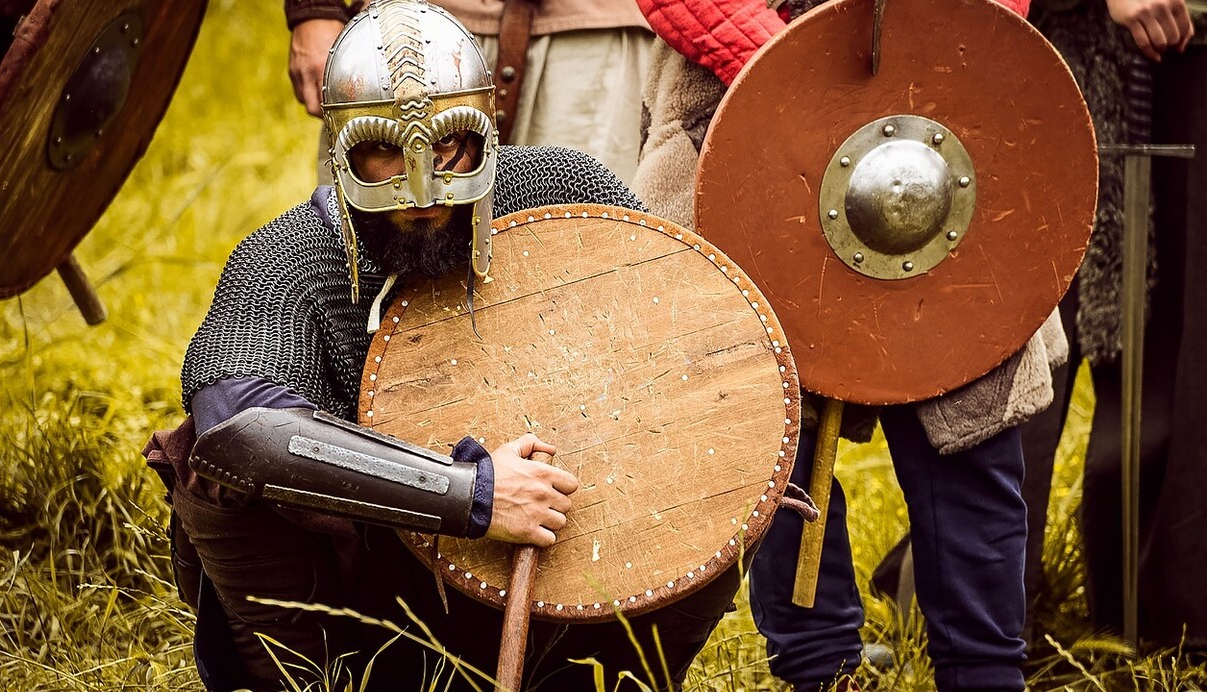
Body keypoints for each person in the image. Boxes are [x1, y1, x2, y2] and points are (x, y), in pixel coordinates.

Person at [145, 3, 748, 689]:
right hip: (365, 596)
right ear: (342, 150)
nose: (423, 186)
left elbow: (695, 337)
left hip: (565, 550)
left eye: (446, 146)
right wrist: (470, 494)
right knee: (210, 464)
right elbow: (242, 434)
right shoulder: (287, 261)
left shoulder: (560, 192)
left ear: (484, 135)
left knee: (738, 454)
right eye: (386, 150)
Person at [631, 0, 1072, 690]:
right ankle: (821, 669)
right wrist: (797, 75)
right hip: (742, 97)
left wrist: (940, 39)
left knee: (968, 396)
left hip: (935, 106)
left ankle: (986, 671)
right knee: (778, 427)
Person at [1025, 0, 1205, 648]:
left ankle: (1162, 599)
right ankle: (982, 612)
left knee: (1180, 356)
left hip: (1185, 66)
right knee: (1026, 361)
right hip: (1071, 63)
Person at [285, 0, 654, 185]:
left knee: (587, 259)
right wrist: (314, 9)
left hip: (596, 28)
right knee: (365, 280)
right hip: (406, 25)